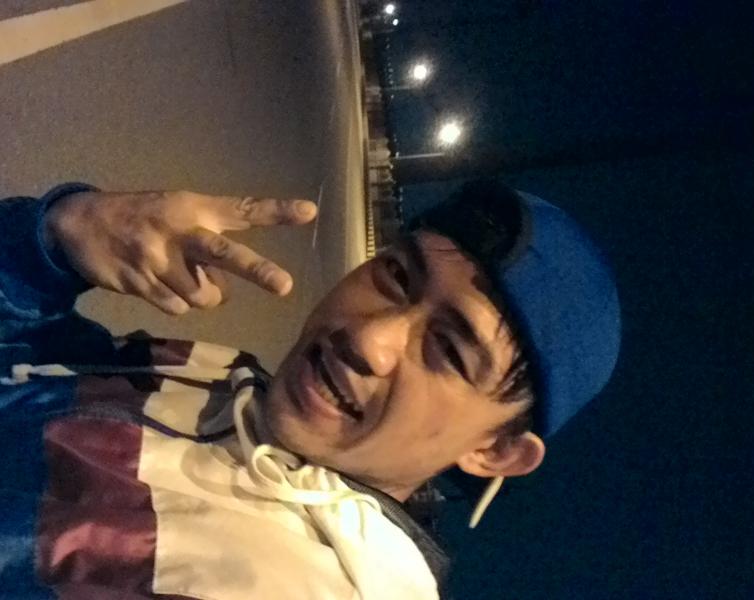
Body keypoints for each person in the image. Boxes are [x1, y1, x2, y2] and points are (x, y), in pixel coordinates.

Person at [0, 180, 620, 599]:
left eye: (451, 352)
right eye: (397, 275)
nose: (369, 339)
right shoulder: (227, 379)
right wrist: (55, 242)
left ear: (495, 451)